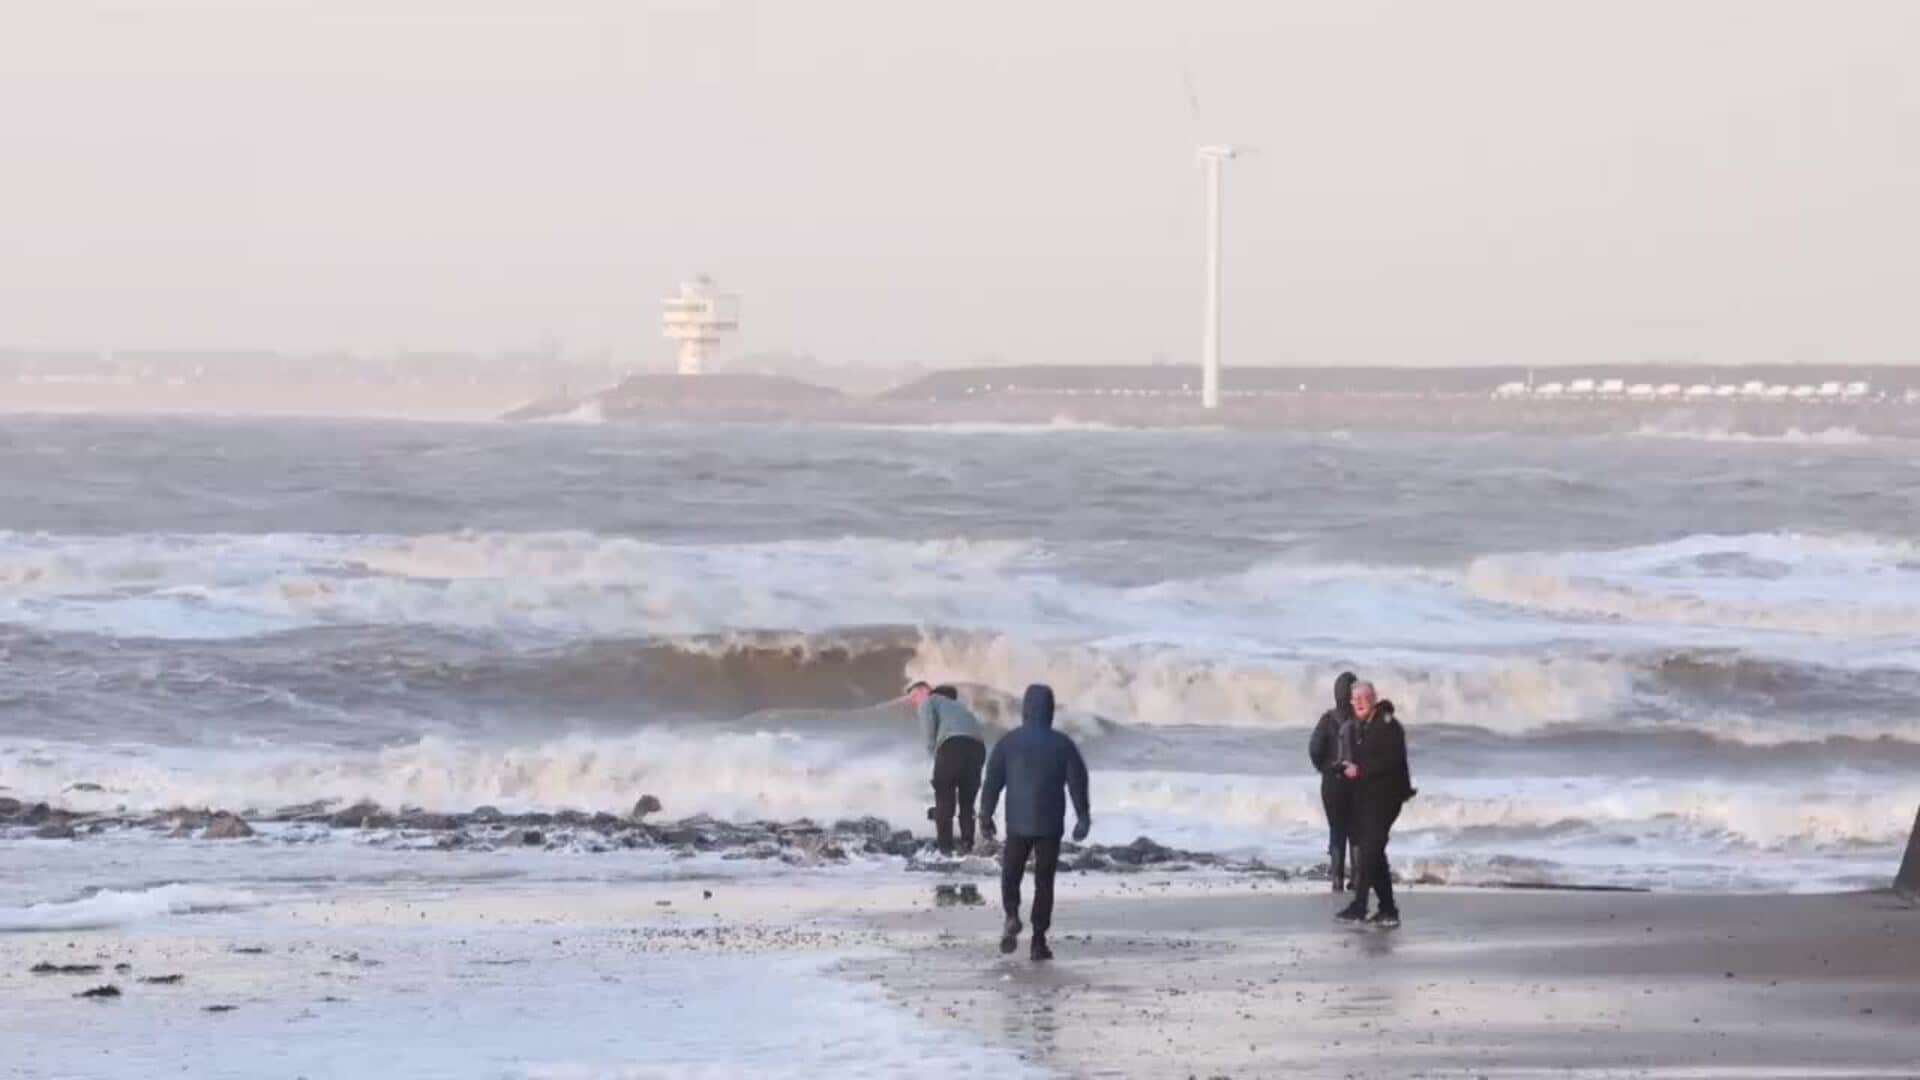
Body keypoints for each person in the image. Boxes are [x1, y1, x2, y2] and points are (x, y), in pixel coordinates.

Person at [979, 684, 1090, 961]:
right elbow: (1078, 782)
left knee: (1011, 874)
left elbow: (992, 782)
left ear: (1025, 710)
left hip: (1018, 823)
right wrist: (1083, 816)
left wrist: (985, 815)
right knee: (1044, 882)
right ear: (1050, 711)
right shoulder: (1063, 744)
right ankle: (1039, 942)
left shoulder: (1008, 742)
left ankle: (1012, 914)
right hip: (1050, 824)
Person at [1336, 681, 1415, 927]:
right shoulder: (1362, 727)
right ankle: (1388, 909)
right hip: (1368, 797)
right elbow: (1360, 765)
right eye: (1354, 698)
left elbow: (1390, 762)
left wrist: (1358, 771)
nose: (1358, 702)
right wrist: (1344, 770)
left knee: (1370, 849)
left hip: (1388, 797)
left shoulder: (1388, 726)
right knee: (1375, 852)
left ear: (1373, 699)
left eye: (1363, 697)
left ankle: (1360, 906)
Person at [905, 681, 988, 855]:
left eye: (913, 696)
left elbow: (929, 732)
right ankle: (967, 846)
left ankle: (945, 851)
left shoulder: (929, 701)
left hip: (952, 745)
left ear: (924, 691)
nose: (913, 702)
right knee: (967, 802)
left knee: (944, 798)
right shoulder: (961, 708)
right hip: (978, 748)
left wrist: (935, 755)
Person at [1308, 671, 1359, 892]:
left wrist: (1324, 768)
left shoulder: (1327, 720)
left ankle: (1337, 879)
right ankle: (1357, 880)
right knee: (1357, 832)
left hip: (1331, 784)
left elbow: (1314, 749)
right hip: (1357, 784)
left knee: (1337, 830)